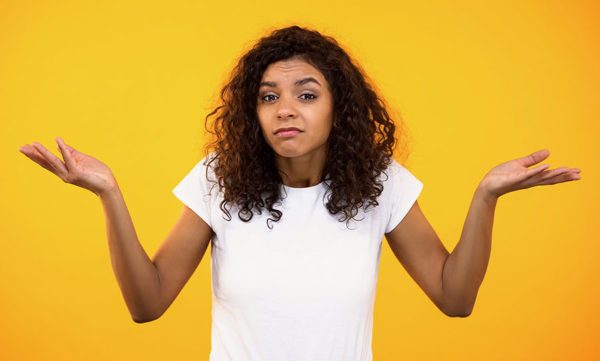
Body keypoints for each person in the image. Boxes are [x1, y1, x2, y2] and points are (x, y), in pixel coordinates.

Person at [18, 25, 581, 360]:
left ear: (340, 108)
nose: (285, 108)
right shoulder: (221, 180)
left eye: (307, 94)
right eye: (268, 96)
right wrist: (109, 193)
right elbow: (147, 304)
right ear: (253, 112)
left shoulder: (379, 183)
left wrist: (485, 196)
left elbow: (455, 300)